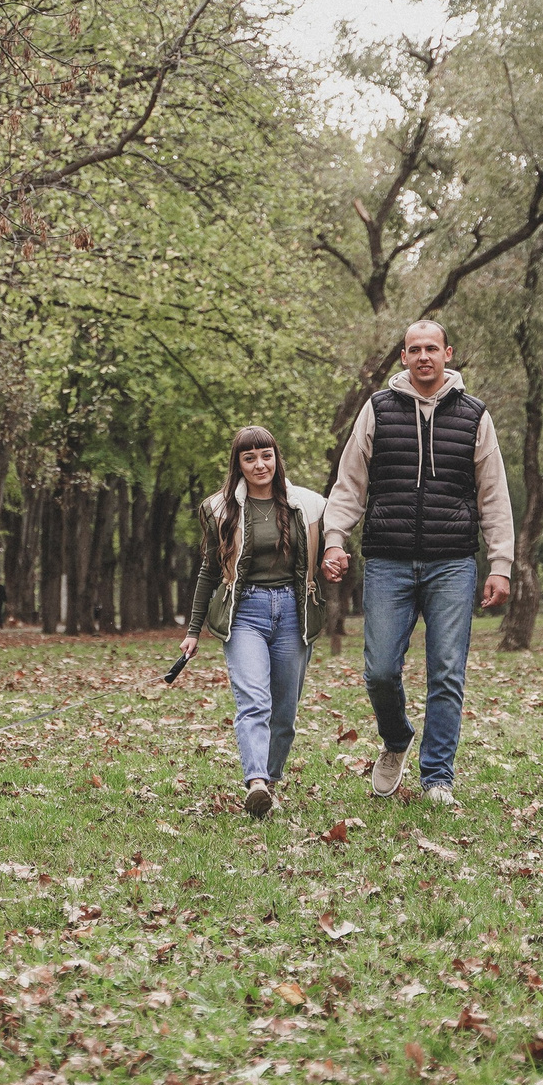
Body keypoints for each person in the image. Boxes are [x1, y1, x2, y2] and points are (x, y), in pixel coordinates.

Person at [321, 319, 514, 806]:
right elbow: (349, 484)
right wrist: (333, 538)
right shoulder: (378, 411)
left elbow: (494, 496)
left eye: (432, 347)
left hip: (452, 563)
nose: (423, 356)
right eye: (414, 349)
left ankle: (437, 778)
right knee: (381, 671)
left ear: (448, 353)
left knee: (447, 671)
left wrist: (501, 563)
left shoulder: (474, 416)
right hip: (387, 560)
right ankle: (397, 739)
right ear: (403, 358)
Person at [181, 426, 328, 820]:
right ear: (238, 465)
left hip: (293, 613)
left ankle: (270, 783)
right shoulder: (219, 509)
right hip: (245, 613)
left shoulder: (309, 506)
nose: (259, 464)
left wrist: (334, 559)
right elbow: (208, 572)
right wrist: (193, 631)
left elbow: (329, 553)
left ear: (277, 458)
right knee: (254, 702)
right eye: (249, 458)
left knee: (284, 713)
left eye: (266, 455)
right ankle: (256, 781)